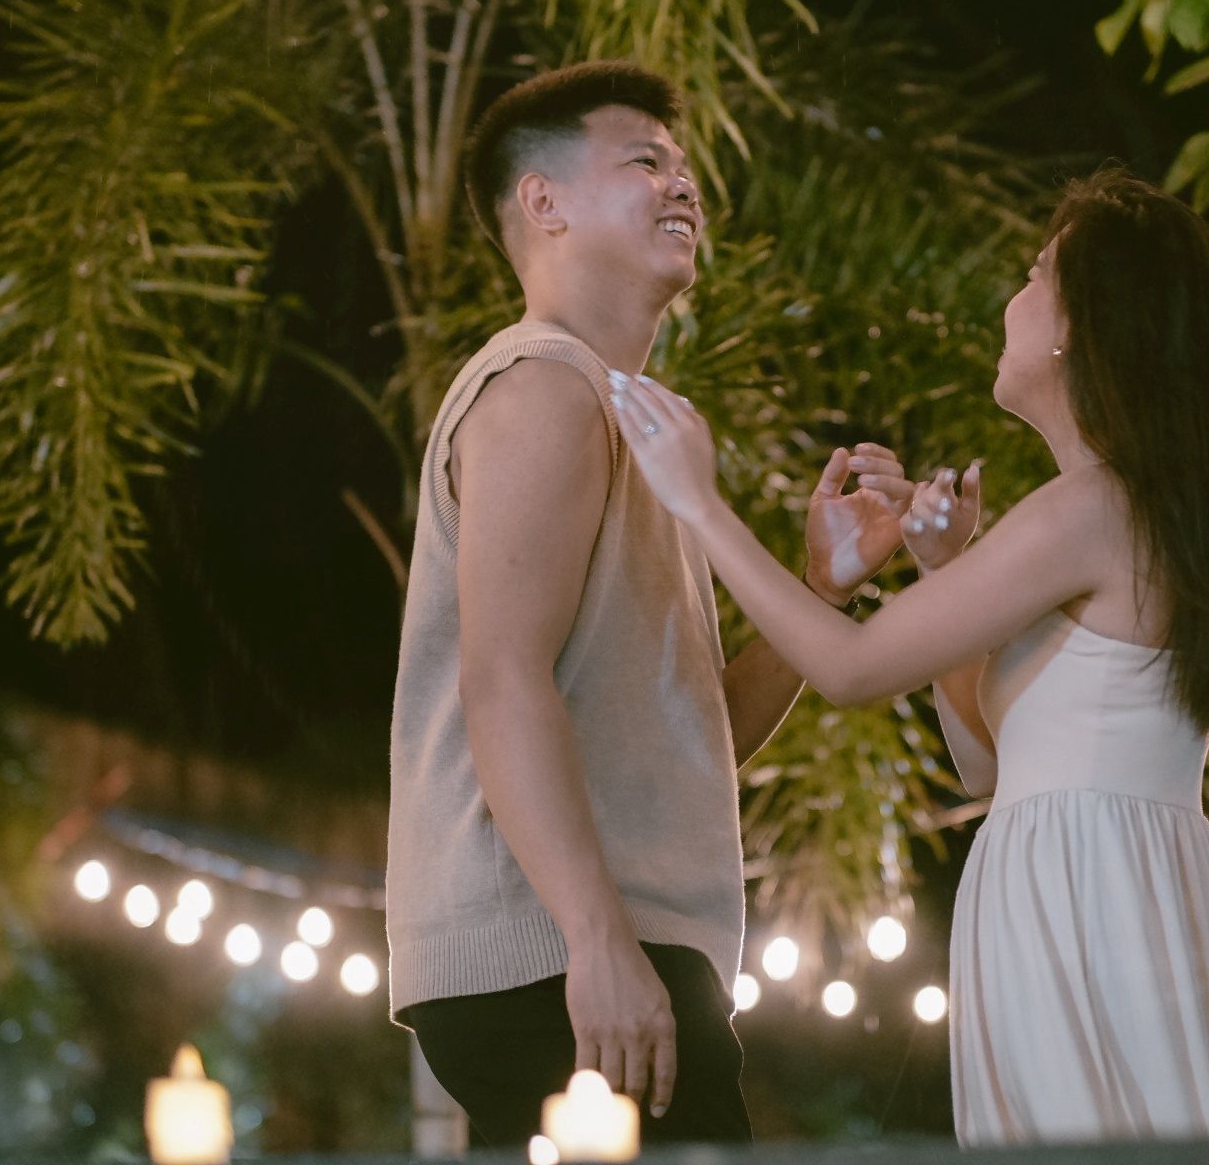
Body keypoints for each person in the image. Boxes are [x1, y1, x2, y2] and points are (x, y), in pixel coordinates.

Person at [611, 167, 1209, 1144]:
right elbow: (986, 763)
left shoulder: (1091, 508)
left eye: (1036, 275)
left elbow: (853, 669)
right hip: (1096, 883)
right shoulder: (1129, 508)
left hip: (1085, 895)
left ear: (1081, 326)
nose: (1012, 297)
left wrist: (698, 502)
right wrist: (945, 569)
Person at [384, 61, 913, 1147]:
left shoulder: (636, 418)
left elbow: (694, 730)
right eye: (644, 161)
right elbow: (501, 679)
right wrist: (597, 939)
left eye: (682, 166)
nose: (684, 184)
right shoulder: (542, 383)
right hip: (554, 947)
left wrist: (817, 591)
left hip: (616, 942)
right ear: (544, 202)